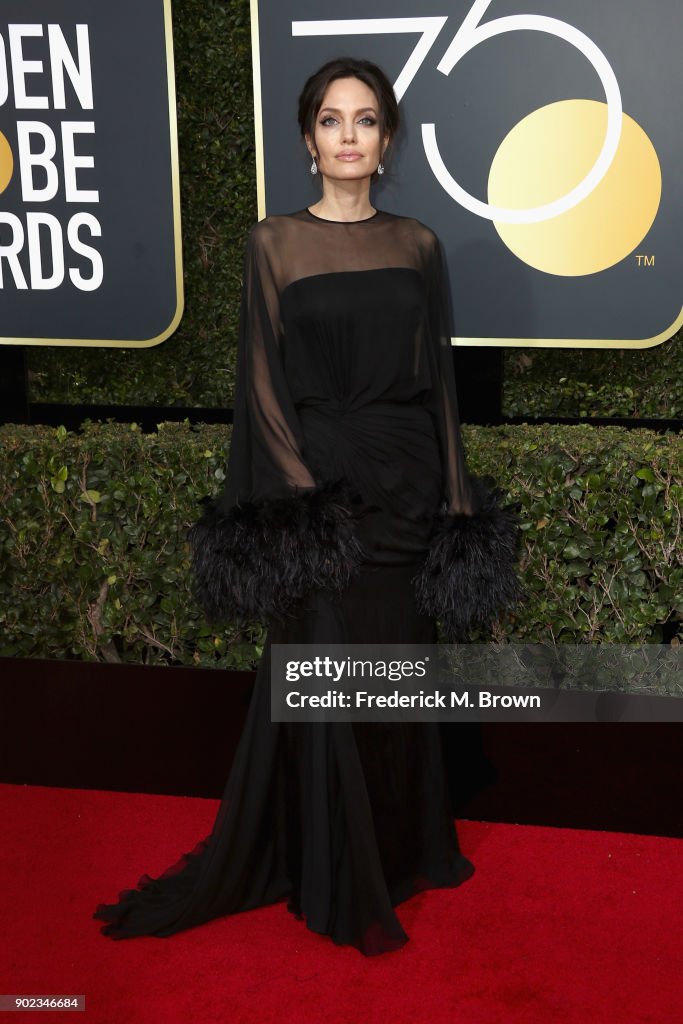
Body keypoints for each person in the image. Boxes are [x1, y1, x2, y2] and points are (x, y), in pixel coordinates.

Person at [93, 57, 523, 956]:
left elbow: (439, 385)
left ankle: (406, 852)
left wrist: (449, 503)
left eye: (365, 121)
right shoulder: (273, 243)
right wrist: (303, 505)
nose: (348, 137)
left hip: (406, 486)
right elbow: (261, 385)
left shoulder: (417, 245)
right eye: (332, 121)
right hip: (325, 495)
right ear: (307, 138)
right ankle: (333, 872)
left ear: (386, 139)